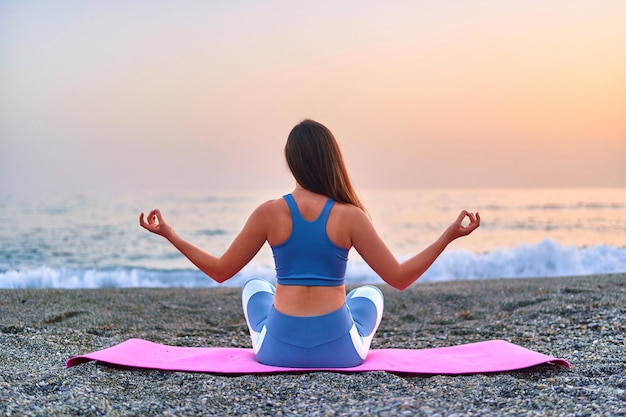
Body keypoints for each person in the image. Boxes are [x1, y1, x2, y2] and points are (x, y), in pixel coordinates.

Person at [139, 119, 480, 368]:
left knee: (254, 287)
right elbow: (400, 278)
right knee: (369, 294)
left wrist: (171, 233)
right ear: (333, 158)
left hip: (276, 352)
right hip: (340, 354)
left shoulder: (269, 213)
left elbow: (219, 271)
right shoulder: (350, 216)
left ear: (291, 161)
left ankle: (276, 324)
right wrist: (449, 235)